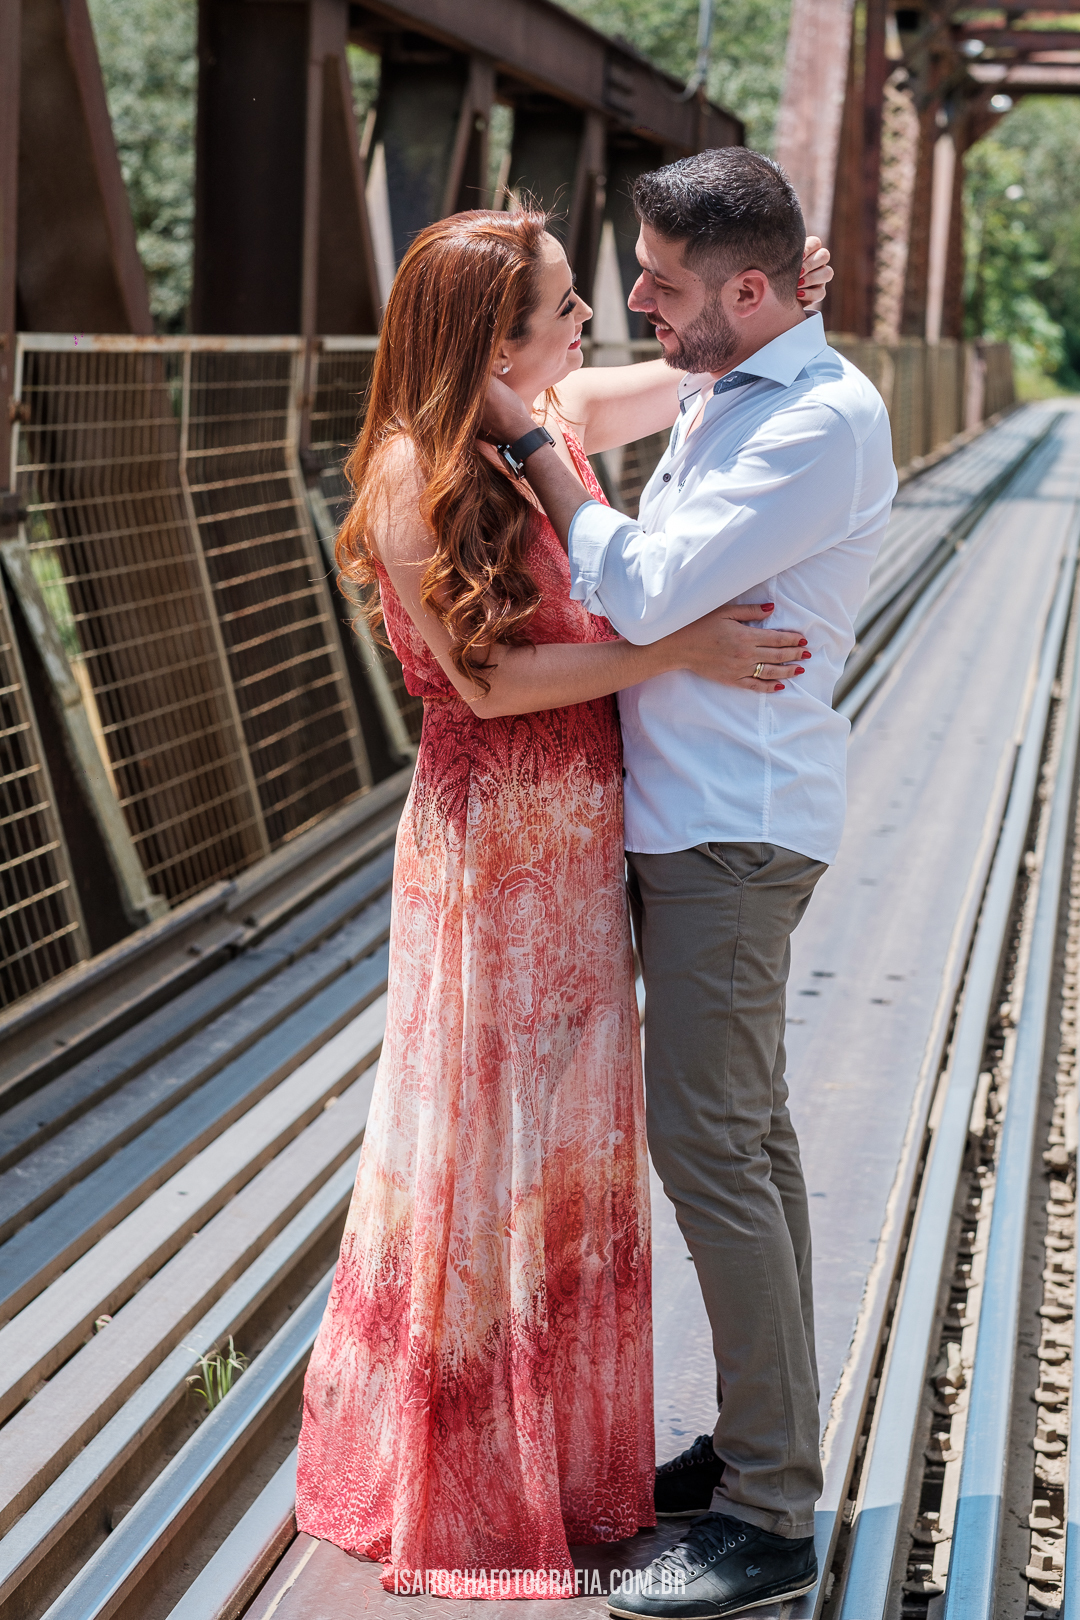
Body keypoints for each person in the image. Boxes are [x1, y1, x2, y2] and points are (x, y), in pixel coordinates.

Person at [294, 204, 832, 1595]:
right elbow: (485, 685)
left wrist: (782, 299)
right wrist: (678, 652)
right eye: (564, 307)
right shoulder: (413, 472)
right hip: (493, 853)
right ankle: (476, 1466)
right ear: (493, 342)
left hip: (585, 839)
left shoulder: (556, 418)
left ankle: (573, 1456)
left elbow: (696, 367)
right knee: (493, 1142)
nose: (593, 321)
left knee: (569, 1149)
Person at [481, 147, 897, 1617]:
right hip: (694, 814)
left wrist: (530, 450)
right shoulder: (737, 376)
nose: (637, 302)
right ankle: (755, 1445)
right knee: (748, 1149)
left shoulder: (817, 421)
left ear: (749, 291)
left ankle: (770, 1514)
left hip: (734, 825)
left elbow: (647, 587)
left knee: (714, 1153)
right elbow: (665, 561)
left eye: (661, 282)